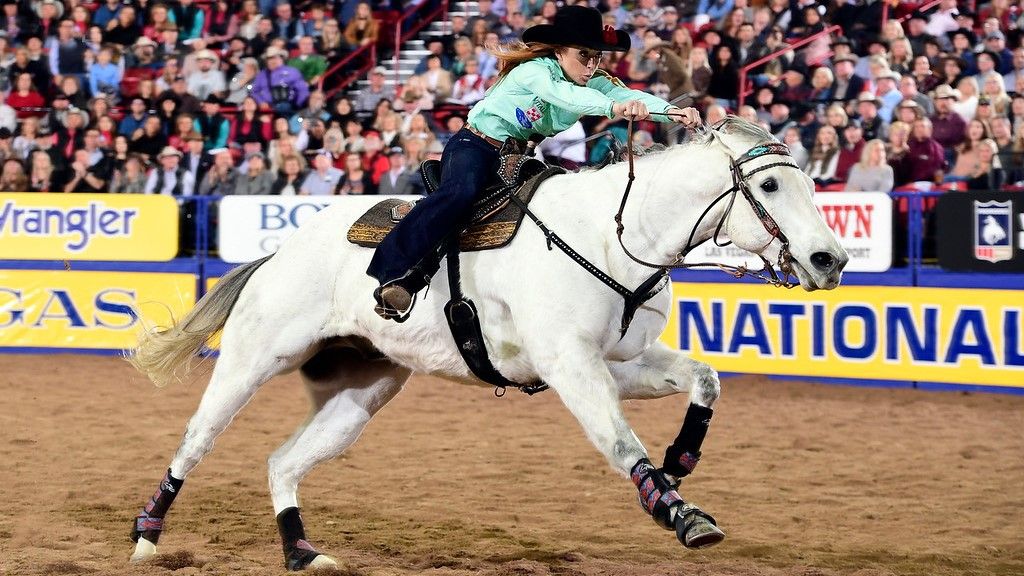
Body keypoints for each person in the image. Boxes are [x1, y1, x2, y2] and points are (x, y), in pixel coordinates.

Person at [366, 5, 700, 320]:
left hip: (517, 157)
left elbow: (628, 95)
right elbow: (568, 97)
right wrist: (615, 109)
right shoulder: (534, 71)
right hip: (475, 145)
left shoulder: (593, 84)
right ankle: (397, 273)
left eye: (596, 57)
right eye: (583, 54)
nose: (591, 65)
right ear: (559, 52)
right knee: (460, 194)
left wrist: (672, 112)